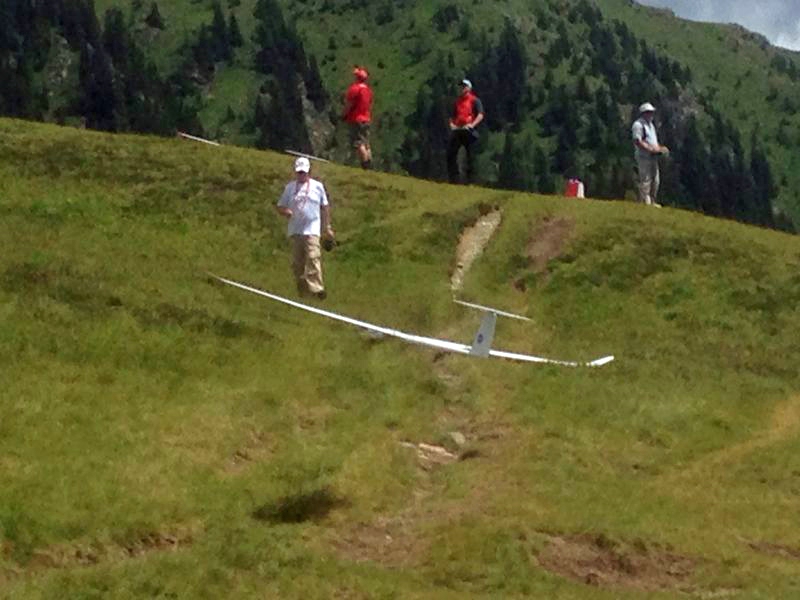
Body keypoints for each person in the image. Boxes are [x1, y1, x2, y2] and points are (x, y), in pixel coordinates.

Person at [276, 156, 334, 300]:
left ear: (309, 172)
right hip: (296, 230)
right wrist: (286, 212)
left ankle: (317, 289)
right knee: (298, 264)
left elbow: (325, 207)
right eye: (299, 172)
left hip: (312, 229)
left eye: (304, 172)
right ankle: (303, 292)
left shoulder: (317, 187)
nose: (302, 175)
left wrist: (327, 227)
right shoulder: (290, 188)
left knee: (313, 256)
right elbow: (280, 206)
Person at [631, 102, 669, 207]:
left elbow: (652, 141)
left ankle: (652, 201)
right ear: (643, 113)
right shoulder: (638, 125)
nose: (650, 114)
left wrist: (659, 149)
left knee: (655, 180)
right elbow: (638, 141)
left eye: (651, 112)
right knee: (646, 179)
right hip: (644, 157)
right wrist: (651, 149)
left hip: (653, 156)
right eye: (648, 112)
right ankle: (645, 201)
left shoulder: (651, 125)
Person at [447, 79, 485, 184]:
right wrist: (452, 125)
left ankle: (470, 180)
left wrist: (472, 125)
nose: (461, 89)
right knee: (451, 154)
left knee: (470, 156)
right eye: (460, 87)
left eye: (463, 86)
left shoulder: (475, 100)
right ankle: (454, 179)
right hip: (458, 130)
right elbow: (452, 116)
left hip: (469, 131)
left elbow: (480, 114)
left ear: (469, 88)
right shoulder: (457, 102)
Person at [343, 66, 373, 169]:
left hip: (356, 119)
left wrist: (344, 114)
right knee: (366, 143)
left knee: (359, 143)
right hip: (366, 118)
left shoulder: (354, 89)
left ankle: (365, 165)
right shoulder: (368, 90)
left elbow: (349, 104)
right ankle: (369, 162)